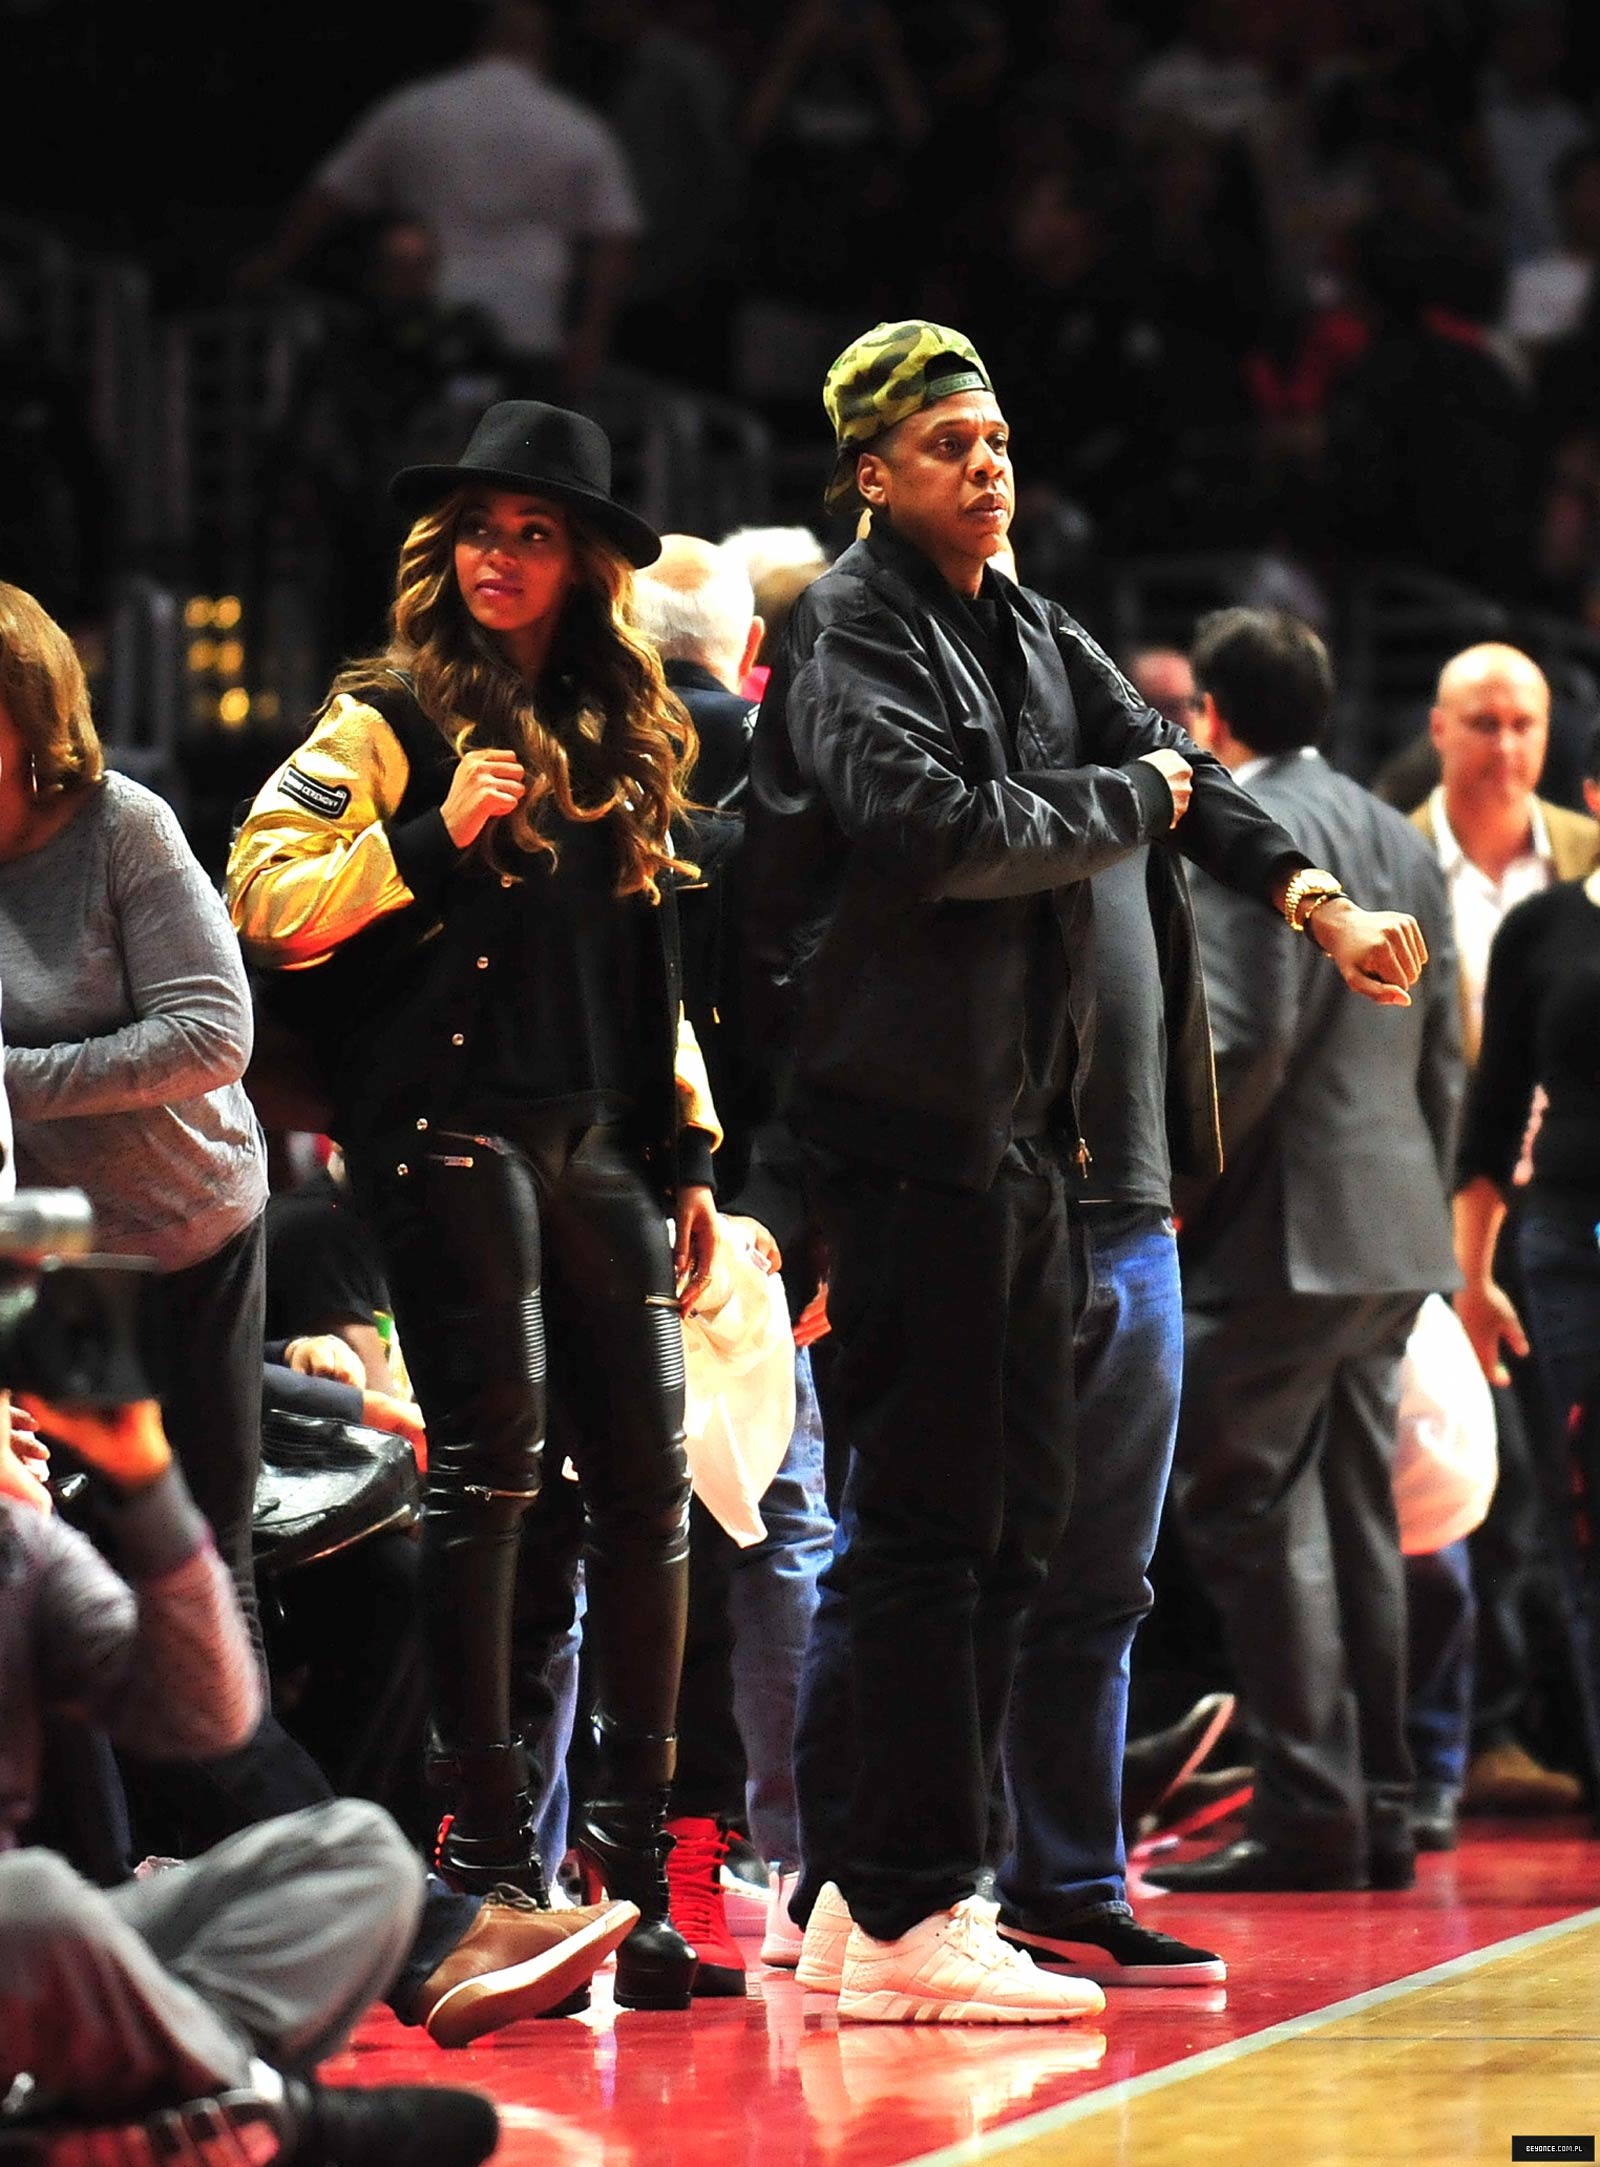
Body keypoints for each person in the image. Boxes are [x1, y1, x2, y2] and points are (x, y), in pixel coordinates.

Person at [745, 319, 1427, 2021]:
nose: (988, 462)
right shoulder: (847, 625)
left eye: (996, 436)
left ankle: (868, 1904)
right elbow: (944, 833)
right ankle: (908, 1908)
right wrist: (1122, 792)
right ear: (871, 472)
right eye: (947, 440)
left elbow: (1183, 781)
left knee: (1012, 1540)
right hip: (908, 1143)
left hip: (1031, 1156)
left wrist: (1315, 899)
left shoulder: (1033, 630)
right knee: (923, 1536)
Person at [226, 397, 725, 2012]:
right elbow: (263, 893)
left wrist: (693, 1157)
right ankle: (497, 1868)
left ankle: (637, 1889)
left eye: (534, 531)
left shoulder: (626, 731)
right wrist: (434, 836)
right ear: (442, 552)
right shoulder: (384, 711)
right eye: (481, 529)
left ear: (581, 561)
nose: (501, 554)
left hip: (600, 1143)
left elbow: (652, 976)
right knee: (495, 1479)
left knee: (653, 1492)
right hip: (444, 1127)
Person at [0, 578, 331, 1858]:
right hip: (52, 1254)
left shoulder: (122, 825)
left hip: (189, 1230)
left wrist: (12, 1077)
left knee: (201, 1549)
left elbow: (216, 1033)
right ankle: (166, 1856)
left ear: (28, 716)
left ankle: (267, 1866)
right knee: (70, 1563)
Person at [1142, 606, 1460, 1895]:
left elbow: (1239, 1039)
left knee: (1252, 1514)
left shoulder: (1252, 834)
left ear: (1209, 716)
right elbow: (1445, 1047)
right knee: (1352, 1519)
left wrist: (1173, 1193)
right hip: (1388, 1227)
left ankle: (1312, 1811)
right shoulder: (1395, 825)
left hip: (1279, 1232)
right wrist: (1423, 1203)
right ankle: (1377, 1804)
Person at [0, 1381, 498, 2167]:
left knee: (361, 1855)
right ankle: (278, 2114)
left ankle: (112, 2121)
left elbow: (206, 1718)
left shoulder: (20, 1548)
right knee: (37, 1902)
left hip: (50, 1964)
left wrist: (150, 1489)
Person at [631, 535, 834, 1994]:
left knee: (620, 1537)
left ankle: (649, 1870)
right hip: (759, 1210)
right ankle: (804, 1860)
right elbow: (816, 1018)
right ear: (744, 653)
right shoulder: (800, 773)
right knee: (778, 1530)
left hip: (615, 1197)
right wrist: (792, 1213)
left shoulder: (598, 766)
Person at [1414, 641, 1598, 1819]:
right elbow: (1487, 1120)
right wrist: (1468, 1268)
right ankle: (1500, 1747)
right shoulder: (1539, 921)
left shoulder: (1557, 887)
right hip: (1537, 1234)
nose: (1504, 745)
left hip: (1538, 1228)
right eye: (1482, 722)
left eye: (1523, 722)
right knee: (1534, 1501)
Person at [237, 1, 642, 398]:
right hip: (525, 333)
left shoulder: (415, 109)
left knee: (421, 440)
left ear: (484, 39)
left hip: (423, 330)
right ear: (543, 47)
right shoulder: (577, 128)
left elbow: (330, 194)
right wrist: (592, 333)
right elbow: (614, 237)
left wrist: (275, 260)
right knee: (506, 450)